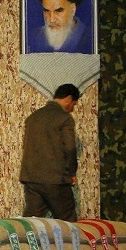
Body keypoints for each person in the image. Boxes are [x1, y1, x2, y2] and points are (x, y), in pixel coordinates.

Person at [20, 83, 80, 222]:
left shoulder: (33, 117)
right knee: (67, 221)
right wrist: (71, 173)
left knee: (32, 222)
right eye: (74, 104)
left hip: (31, 178)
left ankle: (25, 237)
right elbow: (70, 148)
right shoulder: (64, 118)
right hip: (55, 179)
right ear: (68, 98)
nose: (72, 109)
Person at [27, 0, 91, 54]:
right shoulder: (34, 37)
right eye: (47, 11)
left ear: (72, 9)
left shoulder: (90, 37)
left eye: (58, 11)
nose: (52, 19)